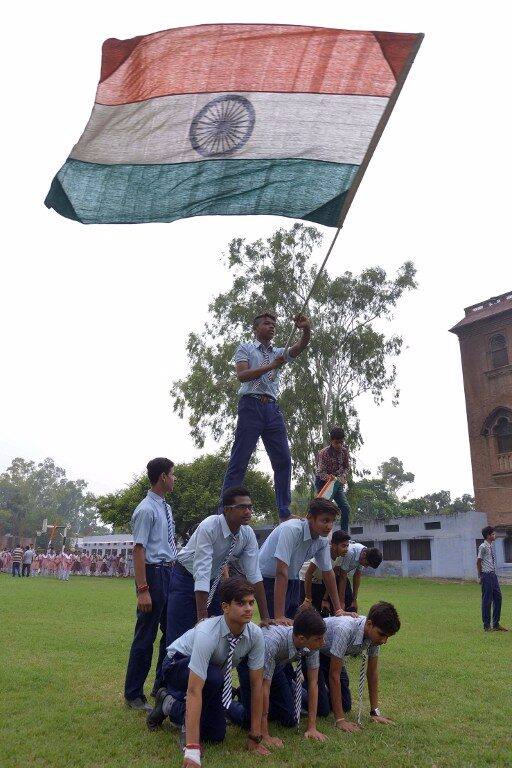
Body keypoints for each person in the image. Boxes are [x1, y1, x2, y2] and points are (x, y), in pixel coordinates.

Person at [147, 578, 269, 766]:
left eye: (251, 603)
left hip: (212, 674)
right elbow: (194, 690)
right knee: (213, 677)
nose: (248, 609)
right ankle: (186, 729)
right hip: (175, 663)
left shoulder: (255, 635)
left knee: (216, 735)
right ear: (225, 607)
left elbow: (256, 685)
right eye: (241, 603)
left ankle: (168, 704)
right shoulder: (207, 632)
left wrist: (255, 735)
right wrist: (192, 749)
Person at [221, 311, 311, 522]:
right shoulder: (245, 348)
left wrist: (306, 328)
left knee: (283, 460)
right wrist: (271, 366)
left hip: (272, 408)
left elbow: (300, 346)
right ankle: (225, 509)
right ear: (256, 328)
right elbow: (242, 375)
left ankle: (284, 512)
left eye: (274, 324)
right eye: (267, 323)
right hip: (250, 406)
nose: (272, 327)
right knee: (240, 459)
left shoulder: (279, 352)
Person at [167, 486, 270, 645]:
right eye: (242, 507)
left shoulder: (247, 533)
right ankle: (172, 661)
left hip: (213, 581)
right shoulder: (210, 526)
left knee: (218, 634)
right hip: (185, 578)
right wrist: (202, 618)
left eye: (250, 507)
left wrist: (265, 618)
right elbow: (202, 571)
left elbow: (254, 575)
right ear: (227, 510)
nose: (248, 512)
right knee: (179, 637)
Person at [124, 457, 177, 711]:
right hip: (153, 574)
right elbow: (139, 549)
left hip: (169, 573)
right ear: (163, 477)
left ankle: (161, 685)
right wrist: (142, 589)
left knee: (171, 633)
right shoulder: (146, 509)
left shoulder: (165, 507)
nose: (175, 479)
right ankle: (133, 694)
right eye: (172, 474)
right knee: (146, 635)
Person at [236, 607, 328, 742]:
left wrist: (312, 727)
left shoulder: (312, 643)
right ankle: (231, 705)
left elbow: (313, 682)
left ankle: (249, 698)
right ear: (301, 639)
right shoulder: (271, 642)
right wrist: (265, 734)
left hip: (276, 665)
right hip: (250, 664)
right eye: (319, 639)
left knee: (289, 718)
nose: (323, 642)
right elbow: (263, 687)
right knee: (250, 721)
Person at [306, 602, 400, 730]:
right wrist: (340, 720)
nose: (384, 641)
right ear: (369, 624)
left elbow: (372, 673)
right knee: (323, 709)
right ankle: (298, 685)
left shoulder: (374, 636)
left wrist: (375, 712)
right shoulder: (345, 629)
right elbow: (334, 675)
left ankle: (320, 690)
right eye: (382, 635)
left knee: (345, 705)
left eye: (387, 637)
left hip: (333, 656)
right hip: (314, 651)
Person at [258, 498, 349, 623]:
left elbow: (328, 573)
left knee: (295, 625)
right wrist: (279, 616)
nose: (329, 526)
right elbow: (281, 571)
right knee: (277, 626)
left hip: (292, 578)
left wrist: (338, 610)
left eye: (332, 521)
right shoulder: (291, 529)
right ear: (310, 517)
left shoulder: (322, 539)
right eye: (325, 520)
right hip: (268, 579)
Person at [301, 530, 351, 614]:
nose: (346, 549)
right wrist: (308, 599)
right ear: (334, 545)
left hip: (319, 582)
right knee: (305, 612)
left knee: (320, 613)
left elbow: (331, 579)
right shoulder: (324, 553)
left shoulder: (340, 557)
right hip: (303, 581)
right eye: (343, 546)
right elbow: (308, 574)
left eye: (347, 546)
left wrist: (325, 599)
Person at [315, 427, 351, 531]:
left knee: (345, 508)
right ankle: (319, 532)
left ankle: (344, 534)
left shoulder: (344, 451)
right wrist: (328, 477)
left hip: (336, 482)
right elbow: (319, 472)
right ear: (331, 441)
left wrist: (343, 476)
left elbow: (346, 467)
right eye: (336, 442)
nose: (339, 445)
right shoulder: (323, 453)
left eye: (341, 442)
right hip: (323, 483)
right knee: (322, 510)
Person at [477, 526, 508, 632]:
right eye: (493, 534)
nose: (494, 535)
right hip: (486, 575)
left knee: (498, 597)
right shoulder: (483, 547)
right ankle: (486, 626)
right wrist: (480, 576)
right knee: (487, 600)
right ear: (488, 536)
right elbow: (478, 561)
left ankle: (495, 624)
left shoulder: (490, 546)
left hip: (493, 575)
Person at [336, 541, 383, 612]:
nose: (366, 567)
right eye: (367, 564)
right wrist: (341, 602)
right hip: (331, 575)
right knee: (338, 605)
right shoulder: (350, 552)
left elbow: (357, 576)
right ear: (364, 554)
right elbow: (342, 577)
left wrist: (354, 600)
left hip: (341, 575)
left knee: (351, 606)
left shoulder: (364, 553)